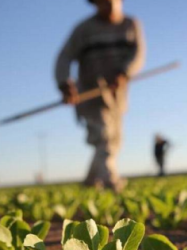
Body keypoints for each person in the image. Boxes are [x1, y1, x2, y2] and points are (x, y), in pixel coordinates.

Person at [55, 0, 145, 191]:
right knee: (103, 137)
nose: (109, 6)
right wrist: (64, 83)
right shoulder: (84, 29)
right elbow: (64, 57)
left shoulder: (131, 24)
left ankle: (90, 182)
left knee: (114, 140)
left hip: (117, 95)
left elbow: (138, 53)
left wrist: (124, 72)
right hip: (90, 93)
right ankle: (111, 182)